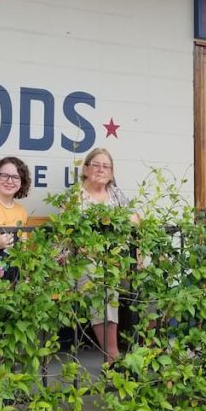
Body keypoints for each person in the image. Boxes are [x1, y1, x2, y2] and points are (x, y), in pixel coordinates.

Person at [78, 147, 139, 363]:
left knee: (147, 279)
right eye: (95, 165)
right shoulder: (76, 198)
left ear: (112, 173)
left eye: (106, 166)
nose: (100, 170)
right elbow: (73, 238)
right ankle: (112, 356)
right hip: (87, 261)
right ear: (85, 169)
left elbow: (135, 220)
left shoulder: (116, 194)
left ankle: (147, 350)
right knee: (103, 284)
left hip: (118, 259)